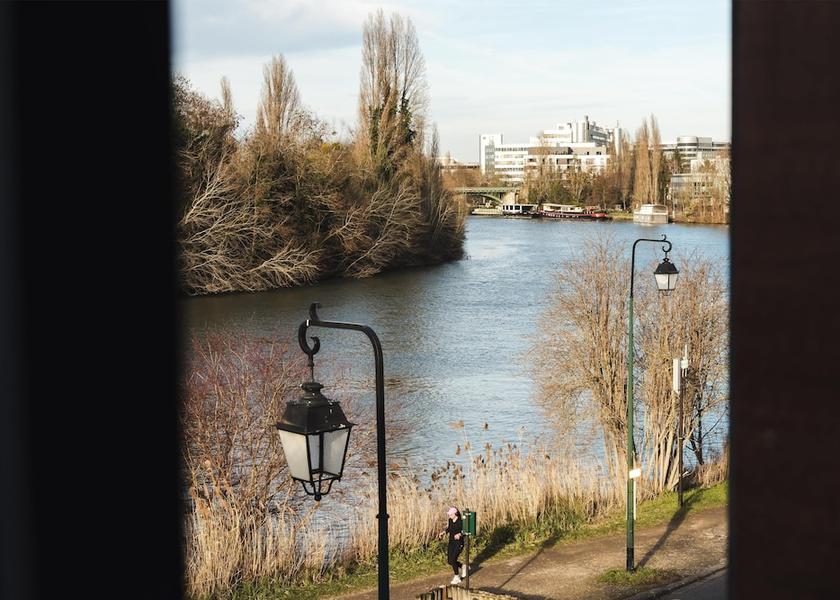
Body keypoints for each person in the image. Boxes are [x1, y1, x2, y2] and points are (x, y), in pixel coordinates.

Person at [438, 506, 465, 584]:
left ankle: (457, 577)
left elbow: (465, 531)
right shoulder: (450, 520)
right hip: (451, 542)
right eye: (449, 514)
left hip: (459, 543)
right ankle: (462, 566)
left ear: (455, 514)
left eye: (450, 514)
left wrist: (460, 534)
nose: (449, 515)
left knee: (453, 560)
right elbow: (449, 528)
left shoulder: (461, 522)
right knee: (450, 561)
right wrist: (444, 532)